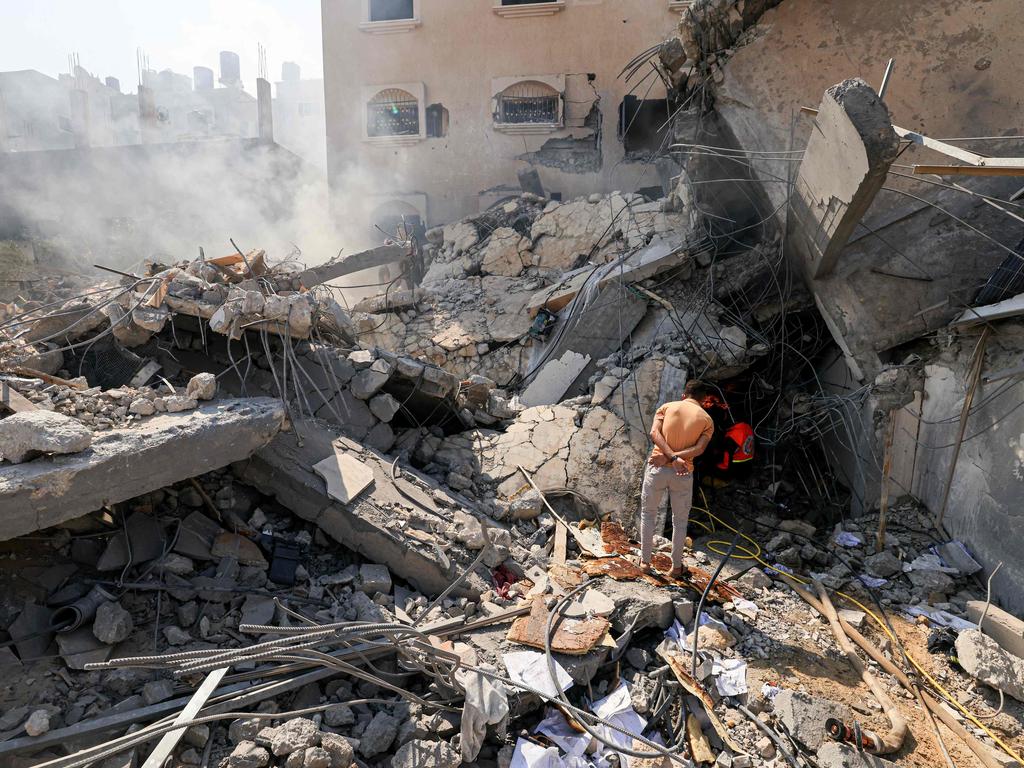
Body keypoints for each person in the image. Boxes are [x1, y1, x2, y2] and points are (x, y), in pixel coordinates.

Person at [639, 379, 715, 578]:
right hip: (682, 473)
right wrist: (676, 458)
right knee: (680, 522)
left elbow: (654, 433)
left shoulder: (666, 407)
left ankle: (645, 563)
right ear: (704, 399)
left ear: (684, 395)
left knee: (648, 515)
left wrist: (668, 456)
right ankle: (676, 568)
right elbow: (699, 449)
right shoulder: (707, 420)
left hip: (657, 468)